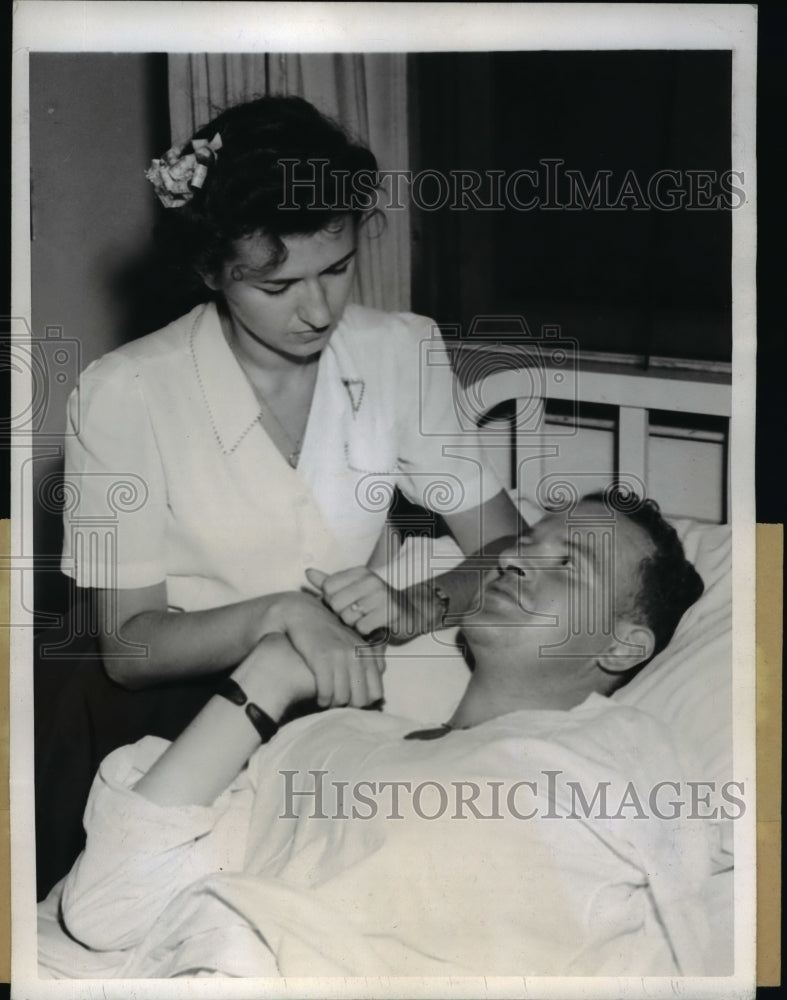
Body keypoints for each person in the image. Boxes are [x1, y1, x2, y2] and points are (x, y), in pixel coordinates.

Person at [35, 95, 523, 896]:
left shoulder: (400, 351)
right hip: (159, 716)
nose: (319, 309)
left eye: (336, 269)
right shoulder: (123, 392)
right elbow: (126, 646)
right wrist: (279, 613)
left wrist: (417, 607)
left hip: (325, 701)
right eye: (275, 284)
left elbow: (505, 546)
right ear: (210, 272)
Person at [39, 493, 712, 979]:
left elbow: (688, 935)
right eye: (523, 546)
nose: (514, 563)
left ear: (625, 646)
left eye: (568, 564)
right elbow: (104, 910)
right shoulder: (332, 737)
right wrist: (266, 675)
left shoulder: (624, 752)